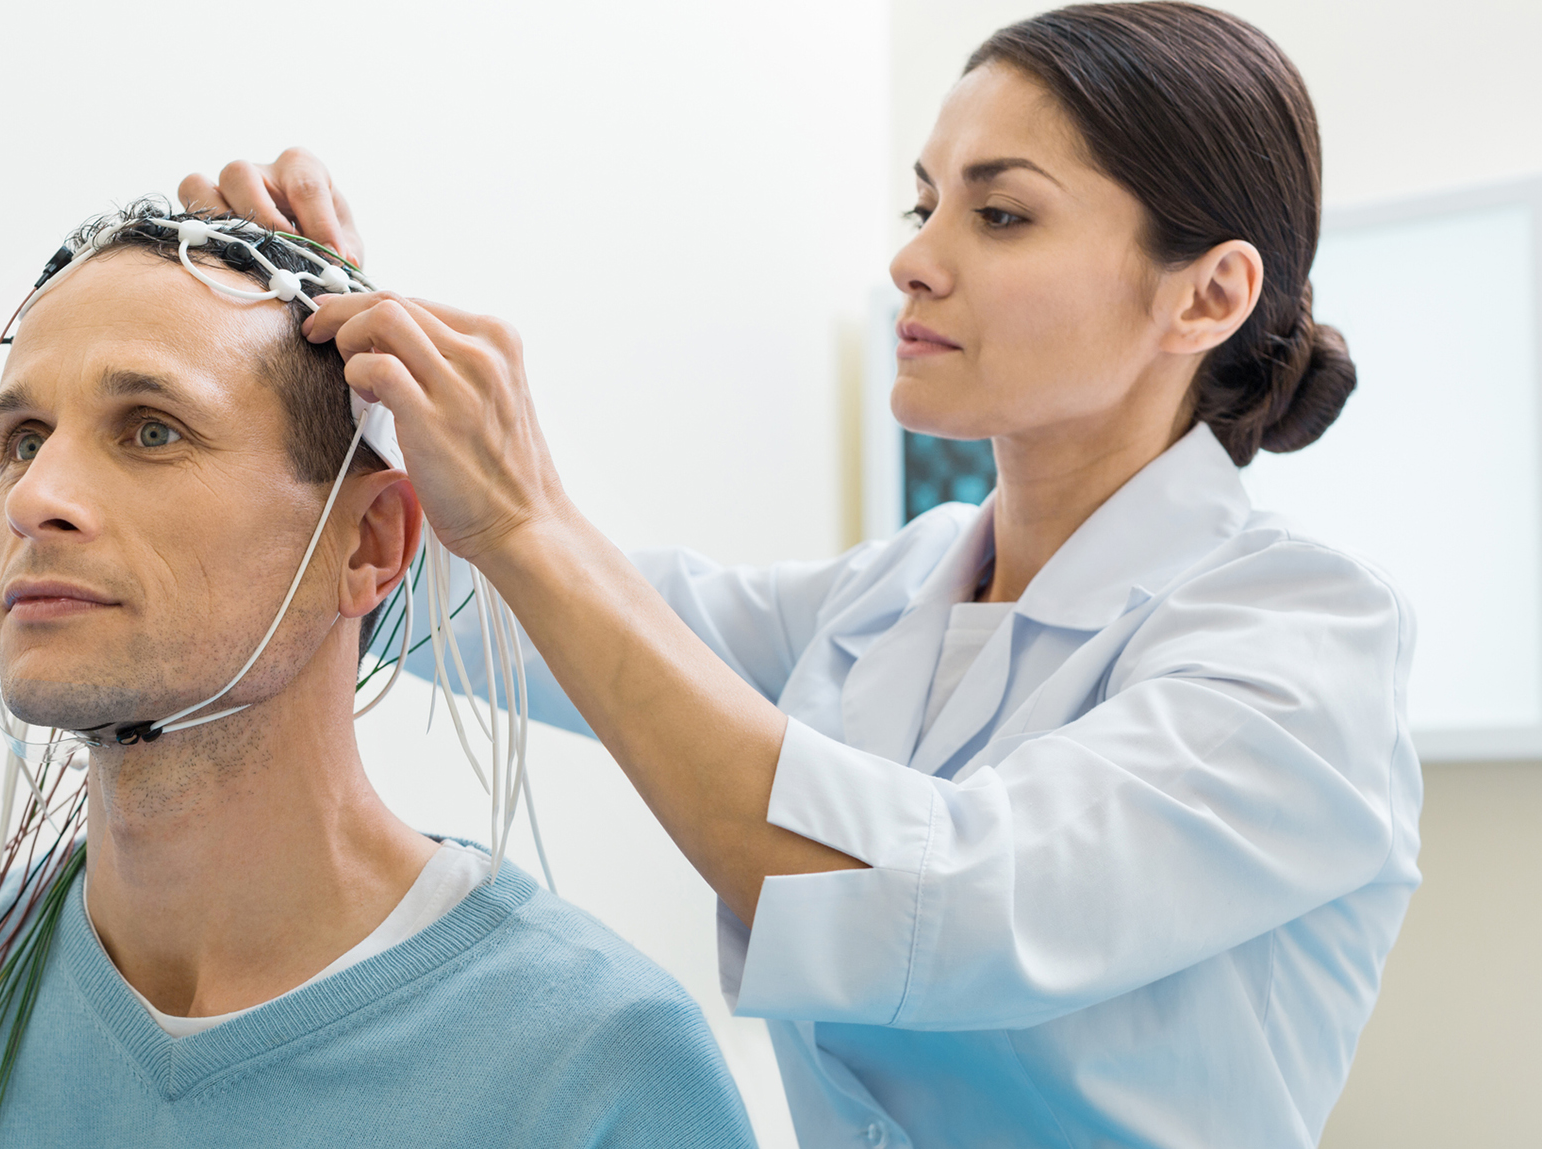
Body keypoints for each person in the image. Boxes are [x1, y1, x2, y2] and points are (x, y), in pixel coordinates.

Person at [191, 4, 1422, 1146]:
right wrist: (320, 372)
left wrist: (525, 512)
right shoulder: (887, 596)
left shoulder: (1303, 638)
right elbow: (489, 613)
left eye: (999, 216)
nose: (913, 262)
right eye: (921, 206)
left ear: (1207, 293)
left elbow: (935, 903)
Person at [0, 204, 757, 1149]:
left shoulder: (594, 1068)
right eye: (22, 440)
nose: (37, 498)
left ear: (367, 542)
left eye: (151, 430)